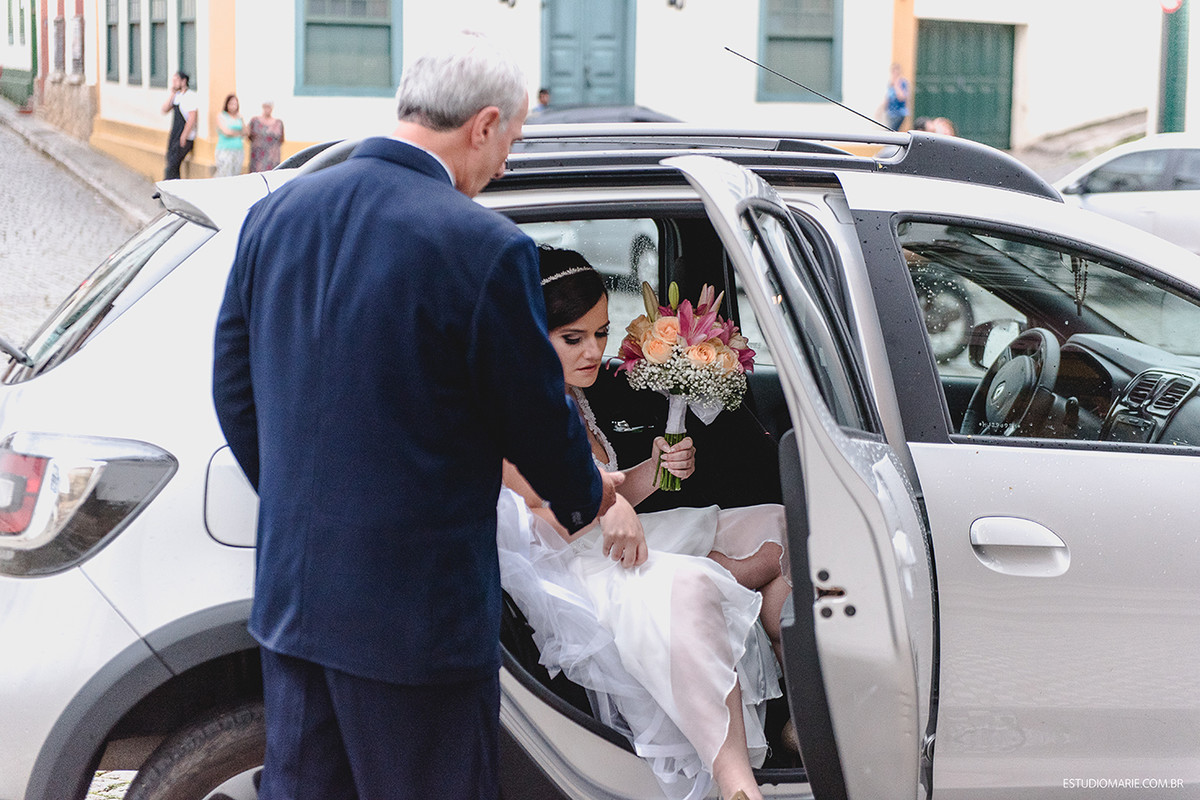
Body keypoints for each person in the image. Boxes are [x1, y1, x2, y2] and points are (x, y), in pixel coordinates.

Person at [212, 31, 625, 800]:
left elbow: (234, 391)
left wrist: (308, 511)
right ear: (484, 125)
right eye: (513, 143)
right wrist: (590, 495)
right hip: (415, 621)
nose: (506, 166)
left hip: (295, 601)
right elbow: (533, 414)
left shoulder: (278, 212)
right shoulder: (484, 247)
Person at [498, 246, 792, 800]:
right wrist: (610, 506)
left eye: (602, 334)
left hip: (618, 542)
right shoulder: (512, 415)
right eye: (573, 338)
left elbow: (612, 485)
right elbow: (545, 519)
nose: (594, 353)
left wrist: (653, 471)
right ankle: (736, 784)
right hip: (577, 570)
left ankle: (798, 714)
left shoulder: (572, 399)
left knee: (776, 520)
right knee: (693, 583)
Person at [161, 71, 198, 179]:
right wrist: (172, 94)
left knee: (173, 163)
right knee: (170, 160)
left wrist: (184, 136)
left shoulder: (190, 96)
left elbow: (192, 118)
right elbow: (164, 109)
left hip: (185, 136)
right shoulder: (176, 96)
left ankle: (167, 185)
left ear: (183, 81)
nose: (174, 83)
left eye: (176, 80)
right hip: (175, 133)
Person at [247, 100, 285, 172]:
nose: (267, 109)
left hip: (272, 158)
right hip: (258, 158)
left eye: (269, 107)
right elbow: (249, 136)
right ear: (262, 107)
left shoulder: (278, 123)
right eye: (265, 107)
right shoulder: (254, 121)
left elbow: (282, 139)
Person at [214, 93, 246, 178]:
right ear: (227, 104)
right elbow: (226, 132)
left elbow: (245, 132)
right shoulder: (221, 116)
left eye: (235, 104)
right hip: (225, 150)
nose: (233, 106)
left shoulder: (239, 117)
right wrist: (238, 133)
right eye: (231, 103)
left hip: (238, 150)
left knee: (235, 175)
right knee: (224, 174)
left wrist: (236, 132)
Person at [884, 62, 910, 132]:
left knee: (891, 131)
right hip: (890, 113)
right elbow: (888, 97)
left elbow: (901, 97)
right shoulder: (890, 83)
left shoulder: (903, 83)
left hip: (899, 113)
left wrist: (896, 85)